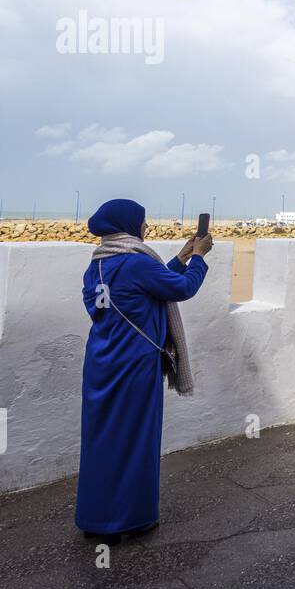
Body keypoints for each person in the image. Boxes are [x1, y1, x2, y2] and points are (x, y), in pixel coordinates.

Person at [76, 199, 212, 539]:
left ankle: (96, 518)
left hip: (101, 363)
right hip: (134, 366)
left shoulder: (98, 265)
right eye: (143, 222)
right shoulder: (136, 264)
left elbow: (150, 286)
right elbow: (180, 288)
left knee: (102, 442)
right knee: (135, 440)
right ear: (128, 224)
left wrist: (180, 258)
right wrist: (198, 258)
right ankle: (128, 520)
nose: (146, 228)